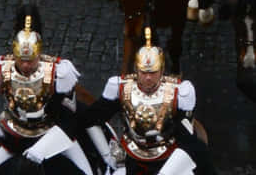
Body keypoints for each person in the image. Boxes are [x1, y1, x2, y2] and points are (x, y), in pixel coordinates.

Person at [0, 10, 91, 175]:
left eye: (30, 60)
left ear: (39, 55)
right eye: (21, 60)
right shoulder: (0, 69)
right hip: (16, 136)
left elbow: (69, 116)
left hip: (52, 134)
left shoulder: (59, 73)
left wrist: (41, 148)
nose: (25, 66)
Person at [83, 30, 210, 175]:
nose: (148, 78)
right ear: (136, 69)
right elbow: (92, 119)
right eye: (144, 72)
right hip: (130, 155)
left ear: (162, 70)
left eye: (153, 72)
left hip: (167, 157)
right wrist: (107, 155)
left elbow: (187, 138)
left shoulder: (180, 93)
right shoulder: (120, 87)